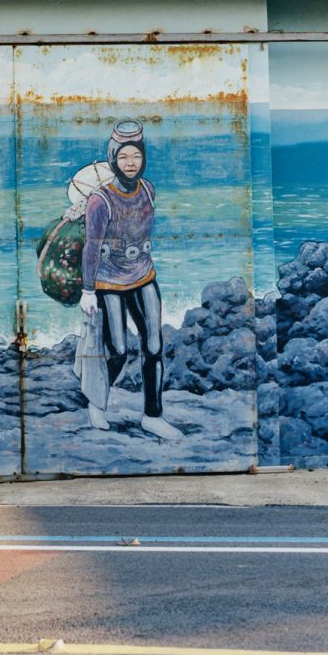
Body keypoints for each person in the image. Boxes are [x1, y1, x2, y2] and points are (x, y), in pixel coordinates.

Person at [78, 120, 183, 440]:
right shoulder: (100, 199)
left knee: (154, 346)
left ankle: (153, 416)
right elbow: (91, 247)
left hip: (143, 275)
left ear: (143, 158)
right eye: (123, 157)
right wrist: (87, 290)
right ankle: (97, 399)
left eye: (136, 156)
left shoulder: (149, 189)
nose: (130, 163)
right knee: (119, 350)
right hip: (109, 283)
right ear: (113, 159)